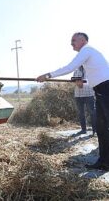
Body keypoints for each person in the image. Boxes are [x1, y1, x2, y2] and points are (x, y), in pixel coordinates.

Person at [36, 32, 109, 171]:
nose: (71, 44)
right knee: (101, 128)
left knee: (105, 126)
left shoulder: (87, 50)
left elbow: (70, 67)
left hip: (106, 88)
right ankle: (105, 161)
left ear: (83, 40)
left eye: (73, 40)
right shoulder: (90, 54)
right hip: (100, 90)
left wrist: (47, 75)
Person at [72, 66, 96, 135]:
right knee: (81, 113)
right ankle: (83, 130)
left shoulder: (90, 69)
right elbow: (73, 80)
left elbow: (93, 80)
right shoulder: (76, 70)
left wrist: (83, 83)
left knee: (92, 112)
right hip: (78, 94)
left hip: (89, 94)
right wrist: (77, 83)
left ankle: (95, 130)